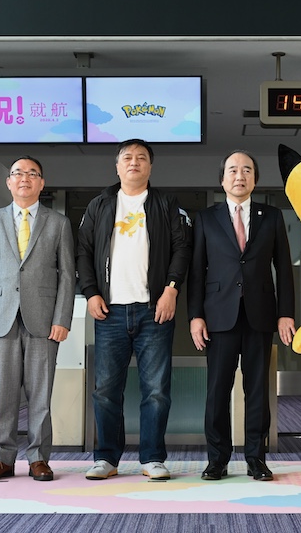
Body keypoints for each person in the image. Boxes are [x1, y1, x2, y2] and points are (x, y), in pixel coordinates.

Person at [77, 139, 192, 481]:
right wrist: (90, 292)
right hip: (109, 311)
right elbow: (83, 251)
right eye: (127, 157)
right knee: (105, 390)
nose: (134, 162)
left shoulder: (166, 204)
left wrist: (171, 290)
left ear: (150, 167)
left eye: (141, 158)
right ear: (117, 166)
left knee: (156, 390)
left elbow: (181, 249)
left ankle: (152, 457)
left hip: (153, 310)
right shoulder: (99, 205)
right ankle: (107, 459)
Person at [187, 150, 295, 481]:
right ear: (222, 180)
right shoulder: (206, 218)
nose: (239, 175)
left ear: (255, 179)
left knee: (258, 389)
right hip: (218, 317)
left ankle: (256, 458)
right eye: (232, 170)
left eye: (246, 170)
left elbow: (284, 269)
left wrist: (286, 313)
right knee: (217, 389)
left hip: (260, 315)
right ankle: (217, 459)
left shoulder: (272, 216)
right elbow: (196, 272)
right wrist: (195, 316)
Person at [0, 156, 76, 482]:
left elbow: (67, 276)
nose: (24, 179)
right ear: (9, 181)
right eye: (17, 173)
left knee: (40, 394)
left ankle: (38, 458)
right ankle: (3, 457)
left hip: (44, 320)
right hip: (1, 318)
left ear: (42, 183)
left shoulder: (58, 223)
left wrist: (63, 318)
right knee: (4, 393)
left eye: (32, 174)